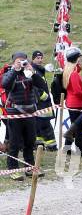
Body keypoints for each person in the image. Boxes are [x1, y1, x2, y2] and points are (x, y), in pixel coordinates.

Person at [2, 51, 47, 180]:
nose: (21, 63)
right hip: (15, 114)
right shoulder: (10, 73)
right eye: (19, 61)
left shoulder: (29, 73)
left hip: (30, 113)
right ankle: (13, 169)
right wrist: (15, 70)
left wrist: (32, 71)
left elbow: (42, 85)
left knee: (30, 142)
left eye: (23, 61)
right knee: (14, 143)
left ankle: (30, 167)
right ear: (14, 62)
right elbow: (4, 84)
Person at [31, 50, 57, 151]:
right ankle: (52, 147)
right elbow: (32, 86)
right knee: (45, 125)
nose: (40, 60)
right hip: (40, 102)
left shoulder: (40, 69)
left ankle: (39, 146)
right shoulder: (32, 70)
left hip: (43, 103)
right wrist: (43, 96)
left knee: (39, 125)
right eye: (38, 58)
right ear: (33, 59)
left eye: (41, 58)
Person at [63, 47, 82, 156]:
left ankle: (67, 149)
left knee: (74, 127)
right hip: (76, 103)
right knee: (78, 128)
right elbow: (77, 91)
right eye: (80, 58)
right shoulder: (74, 74)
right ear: (76, 59)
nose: (81, 60)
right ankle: (80, 150)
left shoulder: (69, 71)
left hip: (71, 102)